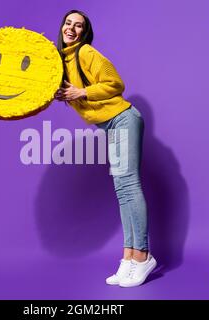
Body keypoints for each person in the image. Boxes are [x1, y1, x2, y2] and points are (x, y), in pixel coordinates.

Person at [54, 9, 157, 287]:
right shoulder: (61, 62)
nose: (71, 29)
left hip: (123, 119)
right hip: (111, 126)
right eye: (68, 23)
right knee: (122, 189)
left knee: (128, 185)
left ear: (84, 32)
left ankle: (143, 256)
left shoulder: (85, 52)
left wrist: (82, 92)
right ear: (62, 27)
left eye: (78, 26)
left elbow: (115, 83)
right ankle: (128, 259)